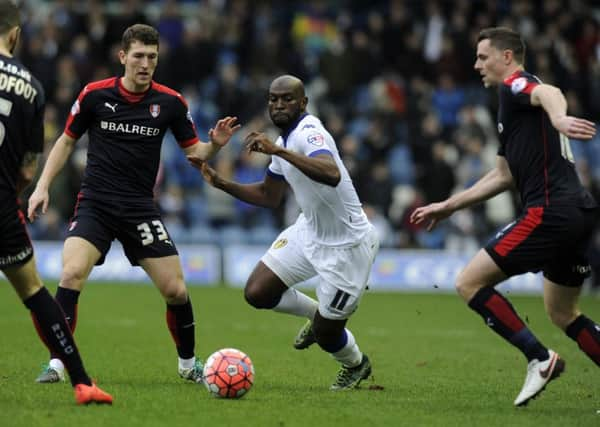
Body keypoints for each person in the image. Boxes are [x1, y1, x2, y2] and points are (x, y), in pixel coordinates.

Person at [27, 23, 239, 384]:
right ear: (122, 56)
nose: (145, 63)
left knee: (176, 290)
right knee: (71, 273)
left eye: (152, 57)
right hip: (95, 203)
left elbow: (195, 154)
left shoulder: (171, 103)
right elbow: (65, 142)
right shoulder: (94, 95)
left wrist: (215, 144)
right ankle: (57, 365)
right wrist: (41, 186)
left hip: (140, 208)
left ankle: (188, 366)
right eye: (138, 56)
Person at [410, 27, 600, 406]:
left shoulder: (517, 83)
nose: (477, 64)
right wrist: (448, 206)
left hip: (550, 212)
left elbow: (550, 93)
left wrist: (560, 118)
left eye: (483, 57)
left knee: (468, 283)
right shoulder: (509, 108)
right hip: (577, 212)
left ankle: (539, 358)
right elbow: (502, 175)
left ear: (507, 57)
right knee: (562, 312)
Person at [188, 75, 380, 390]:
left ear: (303, 103)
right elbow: (269, 195)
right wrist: (222, 184)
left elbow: (331, 174)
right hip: (310, 231)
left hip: (347, 246)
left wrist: (278, 152)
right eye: (273, 99)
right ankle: (317, 316)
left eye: (287, 99)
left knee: (328, 334)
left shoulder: (309, 133)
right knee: (257, 292)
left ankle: (356, 364)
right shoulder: (284, 141)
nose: (279, 104)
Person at [0, 0, 111, 405]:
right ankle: (82, 382)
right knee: (34, 291)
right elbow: (29, 171)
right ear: (15, 34)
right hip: (2, 207)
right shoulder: (30, 85)